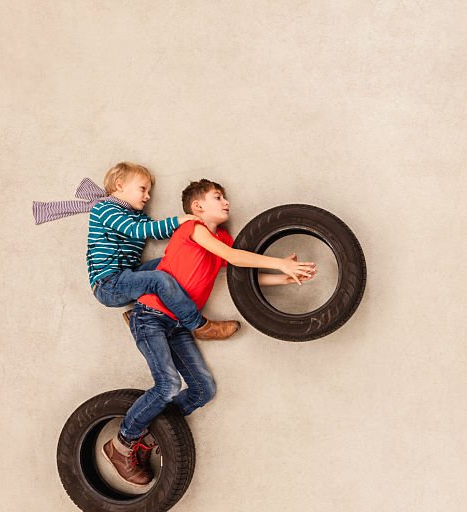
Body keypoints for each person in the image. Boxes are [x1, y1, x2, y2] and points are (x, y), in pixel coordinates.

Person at [103, 178, 316, 486]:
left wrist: (282, 277)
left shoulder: (224, 240)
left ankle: (149, 436)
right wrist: (279, 263)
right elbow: (233, 258)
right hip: (151, 315)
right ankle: (122, 443)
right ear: (197, 206)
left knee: (205, 389)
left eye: (225, 197)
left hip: (177, 325)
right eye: (218, 197)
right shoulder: (193, 229)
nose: (226, 202)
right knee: (167, 385)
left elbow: (237, 273)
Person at [33, 161, 240, 340]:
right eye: (143, 189)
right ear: (120, 185)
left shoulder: (137, 216)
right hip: (108, 284)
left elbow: (156, 232)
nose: (148, 196)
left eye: (149, 191)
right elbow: (137, 231)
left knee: (169, 266)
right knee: (159, 279)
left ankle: (137, 315)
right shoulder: (104, 209)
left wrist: (189, 227)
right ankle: (199, 325)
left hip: (128, 275)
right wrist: (178, 220)